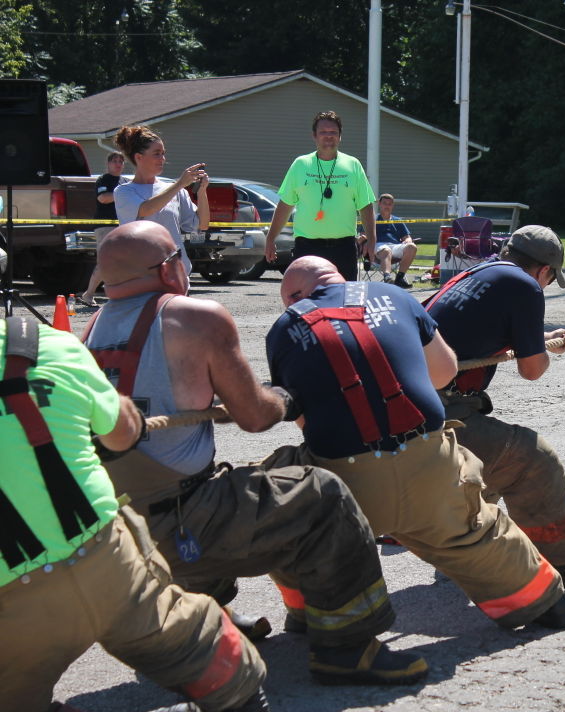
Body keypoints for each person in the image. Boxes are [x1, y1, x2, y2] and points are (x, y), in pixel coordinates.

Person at [82, 221, 427, 686]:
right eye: (179, 257)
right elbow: (255, 417)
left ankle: (213, 620)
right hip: (179, 522)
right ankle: (347, 647)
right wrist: (289, 397)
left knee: (231, 482)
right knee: (319, 492)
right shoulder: (195, 317)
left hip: (120, 531)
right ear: (168, 270)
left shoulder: (90, 329)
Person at [264, 256, 565, 630]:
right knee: (476, 530)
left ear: (297, 297)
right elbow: (443, 375)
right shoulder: (393, 295)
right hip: (431, 465)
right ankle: (545, 602)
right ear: (338, 278)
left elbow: (304, 422)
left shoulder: (285, 329)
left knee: (280, 498)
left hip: (350, 489)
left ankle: (310, 613)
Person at [0, 316, 269, 712]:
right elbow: (122, 433)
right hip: (103, 557)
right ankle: (240, 695)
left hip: (12, 600)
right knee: (175, 628)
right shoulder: (45, 344)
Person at [426, 225, 565, 592]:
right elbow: (532, 370)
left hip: (410, 402)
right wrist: (544, 352)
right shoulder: (525, 287)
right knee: (531, 460)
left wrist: (539, 340)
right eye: (550, 279)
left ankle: (465, 547)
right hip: (438, 409)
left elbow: (474, 338)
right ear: (544, 271)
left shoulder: (476, 274)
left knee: (488, 462)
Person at [265, 111, 376, 281]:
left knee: (343, 302)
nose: (328, 136)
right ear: (314, 136)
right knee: (308, 301)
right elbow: (285, 205)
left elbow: (365, 205)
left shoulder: (353, 165)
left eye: (333, 132)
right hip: (307, 247)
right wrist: (271, 238)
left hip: (343, 247)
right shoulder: (300, 164)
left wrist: (371, 240)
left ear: (340, 137)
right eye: (323, 132)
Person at [113, 124, 209, 276]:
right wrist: (179, 184)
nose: (162, 159)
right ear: (139, 157)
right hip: (142, 274)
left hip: (177, 274)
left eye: (163, 153)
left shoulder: (176, 190)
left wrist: (202, 192)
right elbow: (147, 208)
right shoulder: (124, 191)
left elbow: (202, 225)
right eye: (157, 154)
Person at [80, 152, 129, 307]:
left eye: (121, 161)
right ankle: (88, 295)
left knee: (123, 262)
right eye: (114, 161)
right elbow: (103, 198)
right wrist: (122, 194)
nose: (118, 164)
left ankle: (121, 295)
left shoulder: (125, 182)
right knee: (104, 261)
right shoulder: (104, 180)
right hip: (105, 226)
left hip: (123, 225)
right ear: (108, 164)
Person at [369, 193, 417, 288]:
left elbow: (407, 237)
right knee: (386, 250)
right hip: (378, 246)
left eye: (389, 204)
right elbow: (364, 235)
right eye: (385, 203)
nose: (387, 206)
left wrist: (408, 240)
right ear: (380, 204)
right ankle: (387, 278)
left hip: (395, 246)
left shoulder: (397, 220)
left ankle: (399, 278)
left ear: (392, 205)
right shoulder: (373, 219)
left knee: (412, 247)